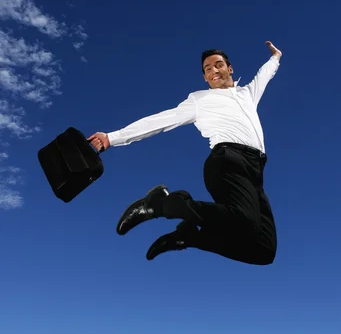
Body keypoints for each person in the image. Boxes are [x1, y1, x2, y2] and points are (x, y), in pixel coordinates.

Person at [89, 40, 282, 265]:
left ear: (229, 69)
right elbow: (161, 120)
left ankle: (190, 237)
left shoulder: (248, 94)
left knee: (263, 250)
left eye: (218, 65)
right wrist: (112, 137)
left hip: (256, 171)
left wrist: (275, 57)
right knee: (245, 221)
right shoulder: (200, 100)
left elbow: (264, 75)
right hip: (227, 161)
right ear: (205, 78)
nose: (213, 71)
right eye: (207, 69)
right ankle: (159, 204)